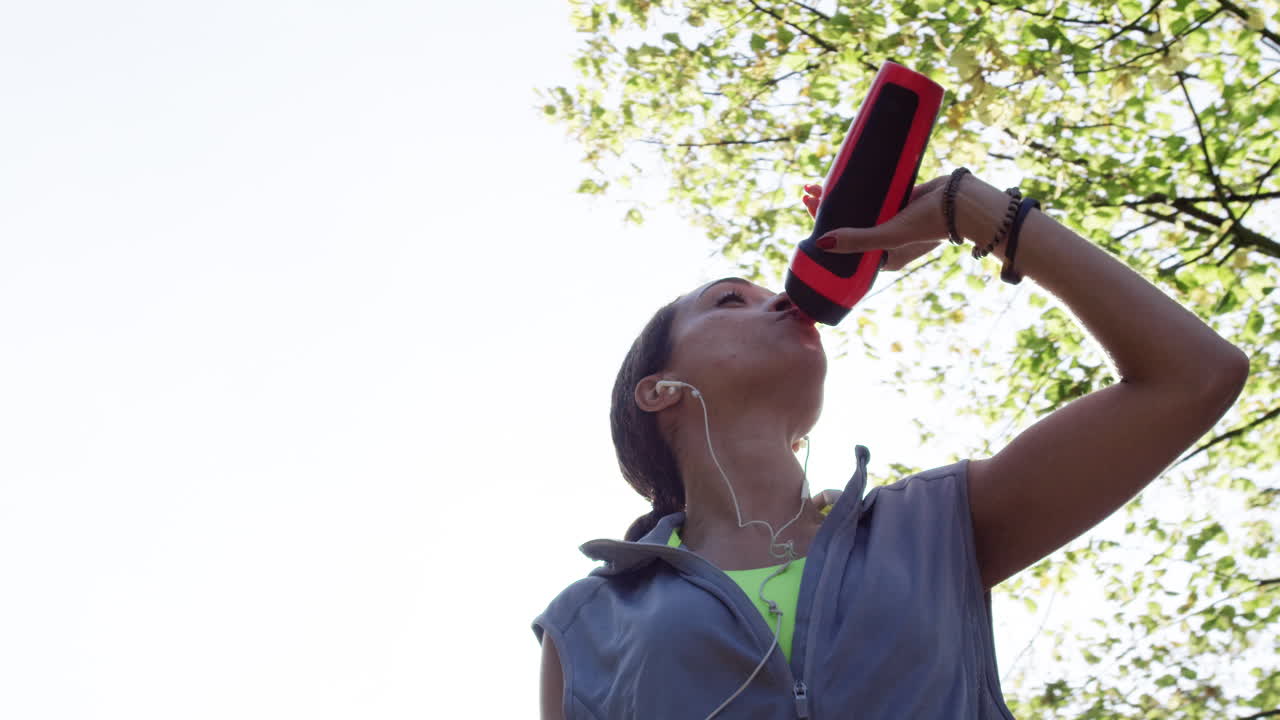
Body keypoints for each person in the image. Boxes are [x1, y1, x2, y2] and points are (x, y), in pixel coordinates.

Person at [532, 169, 1249, 719]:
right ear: (658, 391)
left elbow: (1193, 376)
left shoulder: (934, 525)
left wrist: (971, 210)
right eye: (731, 300)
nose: (783, 297)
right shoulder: (586, 624)